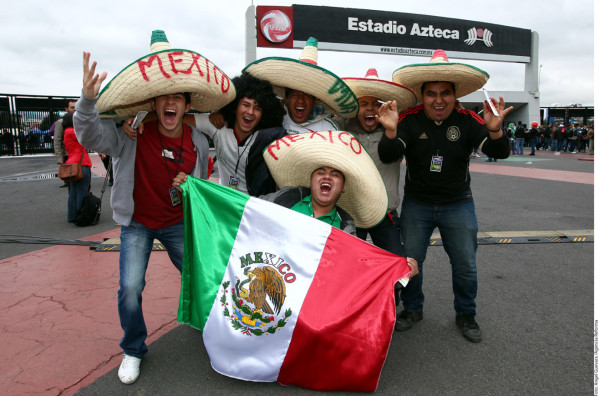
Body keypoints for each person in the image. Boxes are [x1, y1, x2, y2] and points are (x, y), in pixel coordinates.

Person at [73, 30, 235, 385]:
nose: (171, 102)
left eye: (178, 96)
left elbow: (203, 188)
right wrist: (87, 102)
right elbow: (89, 136)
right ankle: (133, 348)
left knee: (206, 277)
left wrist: (189, 187)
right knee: (130, 287)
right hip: (138, 224)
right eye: (164, 96)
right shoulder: (132, 130)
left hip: (180, 223)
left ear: (187, 105)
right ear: (153, 102)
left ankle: (217, 330)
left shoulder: (197, 141)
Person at [378, 49, 512, 343]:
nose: (438, 100)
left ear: (455, 95)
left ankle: (466, 314)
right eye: (431, 94)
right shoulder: (410, 120)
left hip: (458, 204)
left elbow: (499, 151)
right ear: (422, 96)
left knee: (465, 264)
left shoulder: (467, 120)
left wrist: (496, 131)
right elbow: (388, 156)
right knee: (411, 263)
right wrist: (389, 132)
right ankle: (413, 309)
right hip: (418, 204)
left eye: (445, 93)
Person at [189, 72, 286, 196]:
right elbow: (176, 119)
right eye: (246, 105)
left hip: (252, 206)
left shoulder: (266, 140)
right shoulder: (217, 126)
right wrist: (218, 111)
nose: (250, 112)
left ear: (264, 113)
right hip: (225, 202)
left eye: (257, 108)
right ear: (234, 106)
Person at [243, 37, 358, 134]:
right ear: (286, 99)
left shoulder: (329, 129)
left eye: (307, 95)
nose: (300, 100)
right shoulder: (273, 123)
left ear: (314, 101)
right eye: (295, 94)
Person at [61, 112, 92, 222]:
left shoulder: (66, 132)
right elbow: (87, 136)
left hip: (72, 163)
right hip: (81, 163)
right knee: (82, 191)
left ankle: (72, 216)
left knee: (73, 192)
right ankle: (81, 215)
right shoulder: (72, 131)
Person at [53, 99, 77, 187]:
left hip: (80, 155)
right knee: (71, 181)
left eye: (76, 107)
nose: (75, 109)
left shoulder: (81, 121)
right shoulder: (60, 123)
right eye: (72, 107)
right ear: (66, 109)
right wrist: (59, 158)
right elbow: (57, 140)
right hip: (67, 155)